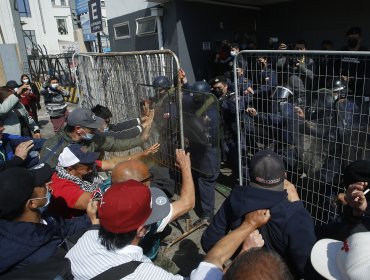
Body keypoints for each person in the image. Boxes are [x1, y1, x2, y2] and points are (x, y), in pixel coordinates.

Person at [201, 149, 316, 278]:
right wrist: (297, 205)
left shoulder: (236, 198)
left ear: (250, 175)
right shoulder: (296, 215)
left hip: (243, 273)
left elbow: (209, 241)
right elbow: (308, 270)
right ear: (285, 175)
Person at [0, 165, 99, 275]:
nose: (49, 185)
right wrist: (95, 229)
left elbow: (66, 227)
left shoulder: (43, 217)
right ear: (32, 203)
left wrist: (93, 217)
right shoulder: (38, 254)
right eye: (42, 185)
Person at [49, 143, 159, 219]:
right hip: (84, 218)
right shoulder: (63, 188)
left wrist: (141, 154)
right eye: (87, 166)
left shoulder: (83, 165)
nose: (92, 167)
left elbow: (112, 163)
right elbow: (94, 202)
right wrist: (115, 185)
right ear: (71, 170)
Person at [39, 107, 148, 168]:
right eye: (92, 129)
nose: (96, 131)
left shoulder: (92, 139)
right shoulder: (53, 146)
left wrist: (140, 140)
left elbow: (115, 144)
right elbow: (46, 176)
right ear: (78, 129)